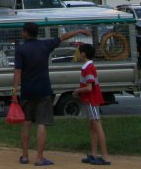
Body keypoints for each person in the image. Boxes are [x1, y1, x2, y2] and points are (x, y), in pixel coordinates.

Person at [12, 21, 86, 166]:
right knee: (41, 123)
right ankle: (39, 157)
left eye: (23, 31)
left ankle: (25, 156)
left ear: (25, 33)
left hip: (27, 90)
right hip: (43, 89)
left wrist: (14, 91)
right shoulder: (45, 45)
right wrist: (78, 31)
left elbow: (17, 73)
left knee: (26, 122)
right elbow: (62, 37)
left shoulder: (20, 50)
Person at [74, 43, 110, 165]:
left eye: (79, 52)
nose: (78, 54)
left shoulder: (88, 67)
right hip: (90, 99)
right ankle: (94, 154)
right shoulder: (87, 66)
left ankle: (105, 157)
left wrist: (78, 91)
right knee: (92, 126)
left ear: (83, 54)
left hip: (91, 99)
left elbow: (89, 88)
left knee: (97, 126)